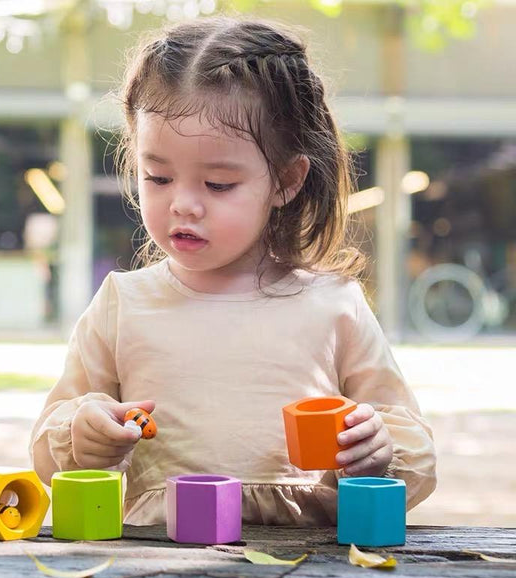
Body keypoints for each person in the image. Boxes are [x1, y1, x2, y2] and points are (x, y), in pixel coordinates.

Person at [30, 16, 436, 526]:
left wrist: (377, 449)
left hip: (306, 570)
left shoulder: (334, 305)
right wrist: (83, 436)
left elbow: (413, 452)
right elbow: (48, 451)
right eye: (157, 176)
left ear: (286, 180)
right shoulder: (122, 303)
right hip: (157, 566)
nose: (183, 204)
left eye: (218, 184)